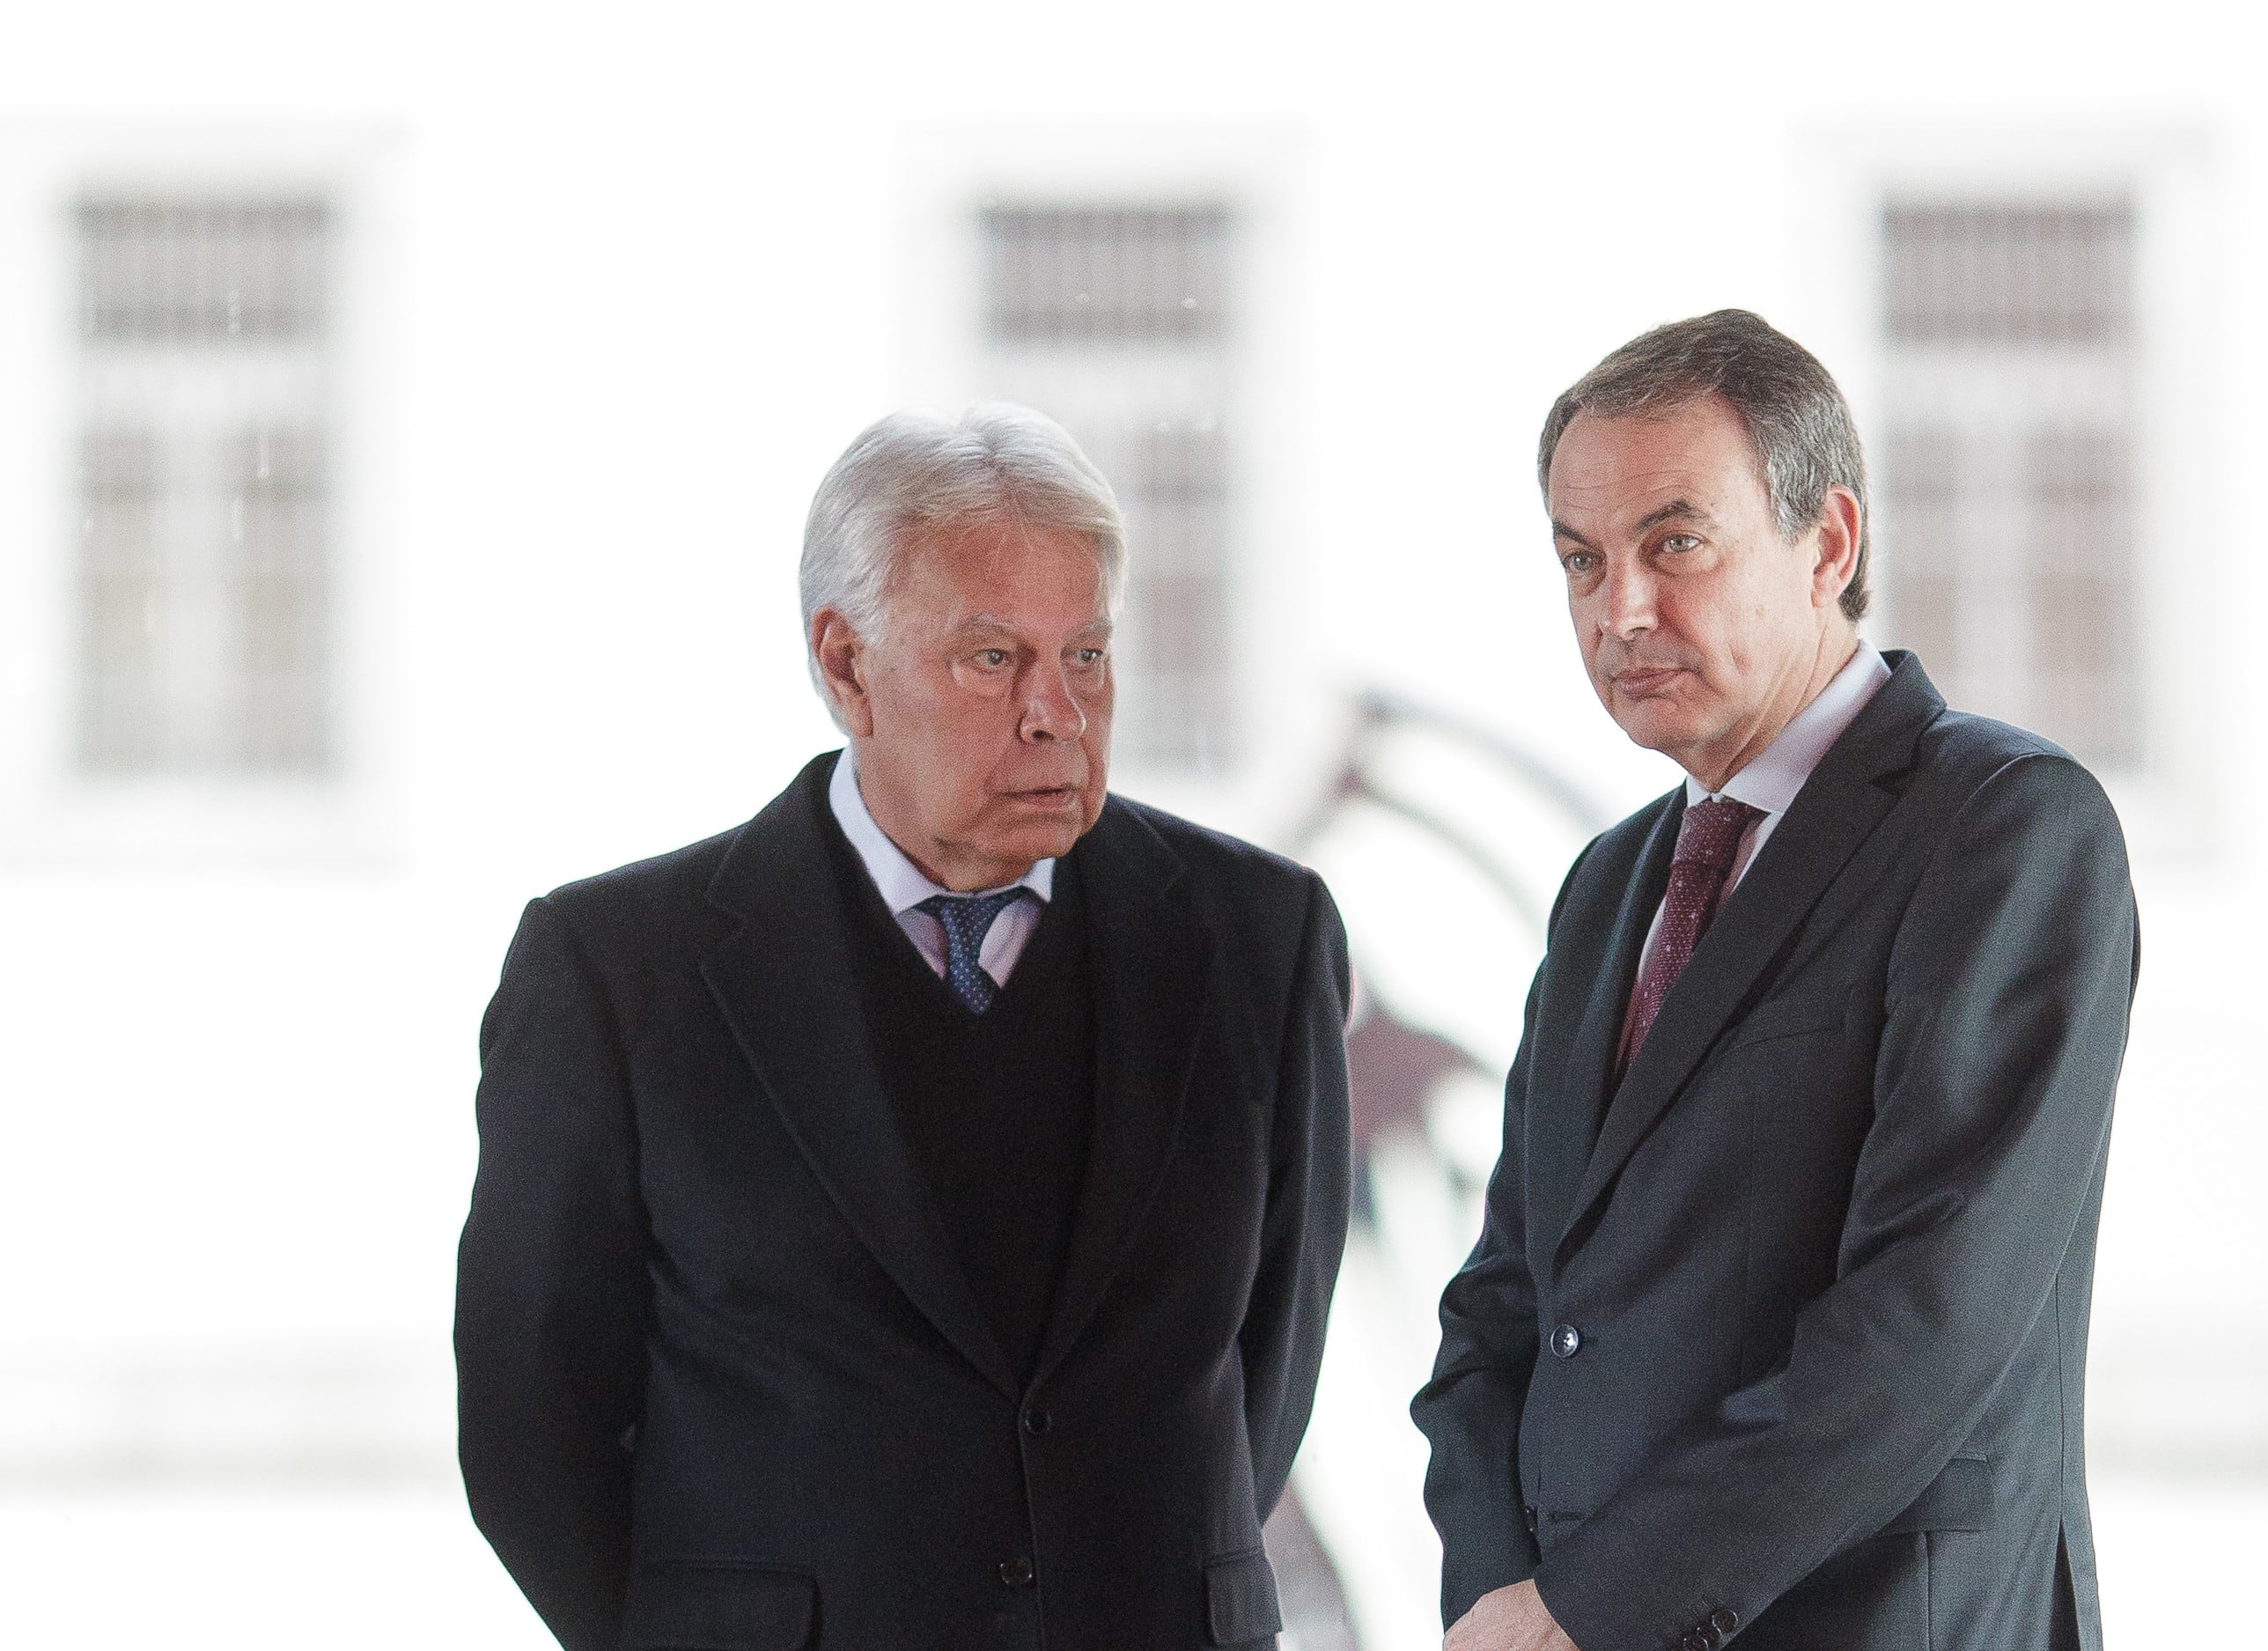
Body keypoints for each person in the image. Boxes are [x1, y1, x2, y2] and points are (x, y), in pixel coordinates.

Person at [456, 404, 1351, 1651]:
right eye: (993, 660)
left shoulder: (1262, 936)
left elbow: (1270, 1364)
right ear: (844, 664)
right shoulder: (617, 972)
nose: (1058, 714)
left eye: (1084, 655)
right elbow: (528, 1424)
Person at [1412, 310, 2137, 1651]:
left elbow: (1927, 1322)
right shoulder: (1609, 883)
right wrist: (1490, 1593)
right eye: (1582, 559)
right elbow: (1509, 1302)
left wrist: (1583, 1610)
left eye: (1674, 543)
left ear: (1830, 543)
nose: (1619, 609)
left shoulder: (2004, 828)